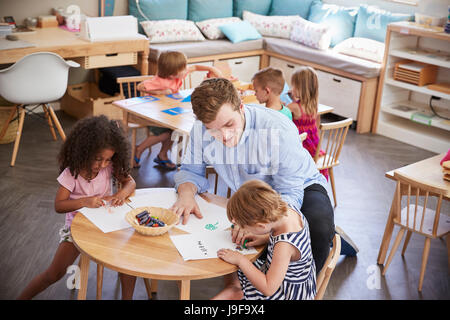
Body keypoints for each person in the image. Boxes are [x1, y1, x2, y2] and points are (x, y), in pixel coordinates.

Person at [17, 115, 137, 300]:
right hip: (76, 229)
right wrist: (84, 201)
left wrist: (120, 195)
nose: (103, 165)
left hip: (106, 227)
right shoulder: (71, 174)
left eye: (108, 160)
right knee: (53, 274)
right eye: (98, 159)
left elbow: (130, 182)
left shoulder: (109, 167)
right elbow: (59, 205)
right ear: (84, 151)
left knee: (129, 262)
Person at [215, 180, 316, 300]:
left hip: (284, 292)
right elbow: (293, 243)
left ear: (261, 226)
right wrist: (264, 238)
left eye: (245, 227)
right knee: (234, 264)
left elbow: (268, 288)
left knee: (238, 263)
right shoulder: (287, 209)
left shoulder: (284, 245)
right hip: (293, 276)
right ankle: (236, 289)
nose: (243, 230)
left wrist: (240, 260)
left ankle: (237, 291)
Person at [133, 50, 223, 169]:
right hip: (154, 114)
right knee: (167, 134)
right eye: (183, 68)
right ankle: (139, 149)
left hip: (168, 112)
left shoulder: (179, 73)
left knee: (174, 131)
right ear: (171, 75)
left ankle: (162, 155)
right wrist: (161, 92)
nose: (187, 69)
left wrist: (212, 69)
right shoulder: (160, 81)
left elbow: (195, 67)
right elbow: (140, 86)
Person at [286, 66, 328, 180]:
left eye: (293, 85)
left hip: (302, 148)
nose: (291, 88)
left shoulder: (294, 107)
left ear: (300, 88)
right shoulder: (314, 106)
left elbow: (282, 114)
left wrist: (290, 100)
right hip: (314, 148)